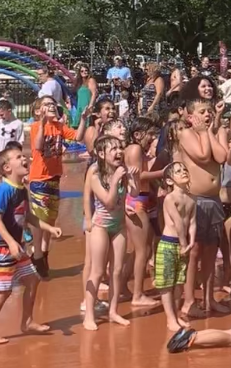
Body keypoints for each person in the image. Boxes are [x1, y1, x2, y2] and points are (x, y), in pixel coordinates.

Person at [0, 147, 61, 345]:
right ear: (7, 168)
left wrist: (49, 227)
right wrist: (11, 242)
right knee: (3, 292)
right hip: (1, 248)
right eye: (18, 157)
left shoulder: (21, 188)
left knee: (33, 279)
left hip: (15, 246)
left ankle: (27, 321)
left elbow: (28, 215)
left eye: (24, 156)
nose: (25, 158)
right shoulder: (4, 190)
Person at [171, 97, 231, 318]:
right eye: (202, 111)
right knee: (195, 251)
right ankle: (189, 300)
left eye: (209, 111)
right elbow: (202, 155)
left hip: (214, 200)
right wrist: (202, 132)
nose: (207, 114)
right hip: (195, 200)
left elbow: (221, 156)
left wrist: (209, 132)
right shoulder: (186, 134)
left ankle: (209, 299)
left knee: (210, 250)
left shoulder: (214, 132)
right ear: (190, 117)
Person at [81, 135, 132, 329]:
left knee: (117, 271)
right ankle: (89, 315)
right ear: (101, 154)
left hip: (119, 225)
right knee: (97, 271)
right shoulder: (96, 175)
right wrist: (116, 180)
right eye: (113, 149)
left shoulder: (121, 172)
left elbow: (133, 193)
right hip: (101, 226)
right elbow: (109, 203)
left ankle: (113, 312)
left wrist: (132, 178)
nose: (119, 152)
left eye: (120, 148)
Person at [28, 95, 78, 277]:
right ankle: (37, 254)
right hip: (39, 179)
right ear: (37, 111)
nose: (51, 106)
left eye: (52, 103)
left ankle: (43, 252)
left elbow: (78, 137)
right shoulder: (36, 127)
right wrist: (42, 124)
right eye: (46, 104)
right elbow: (38, 146)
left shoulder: (60, 127)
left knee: (50, 219)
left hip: (54, 178)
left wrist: (83, 118)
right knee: (40, 219)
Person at [122, 117, 163, 308]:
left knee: (140, 249)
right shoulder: (135, 149)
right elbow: (140, 176)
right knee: (142, 251)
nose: (152, 138)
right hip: (137, 201)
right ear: (138, 134)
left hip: (142, 199)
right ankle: (137, 294)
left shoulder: (136, 149)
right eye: (150, 135)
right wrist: (165, 172)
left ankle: (123, 286)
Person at [156, 162, 196, 332]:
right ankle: (170, 318)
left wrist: (191, 240)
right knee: (167, 283)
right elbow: (178, 222)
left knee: (179, 282)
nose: (183, 172)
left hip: (183, 244)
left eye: (184, 169)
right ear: (169, 181)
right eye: (178, 171)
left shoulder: (191, 199)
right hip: (169, 243)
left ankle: (176, 314)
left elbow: (192, 222)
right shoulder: (170, 198)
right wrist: (184, 243)